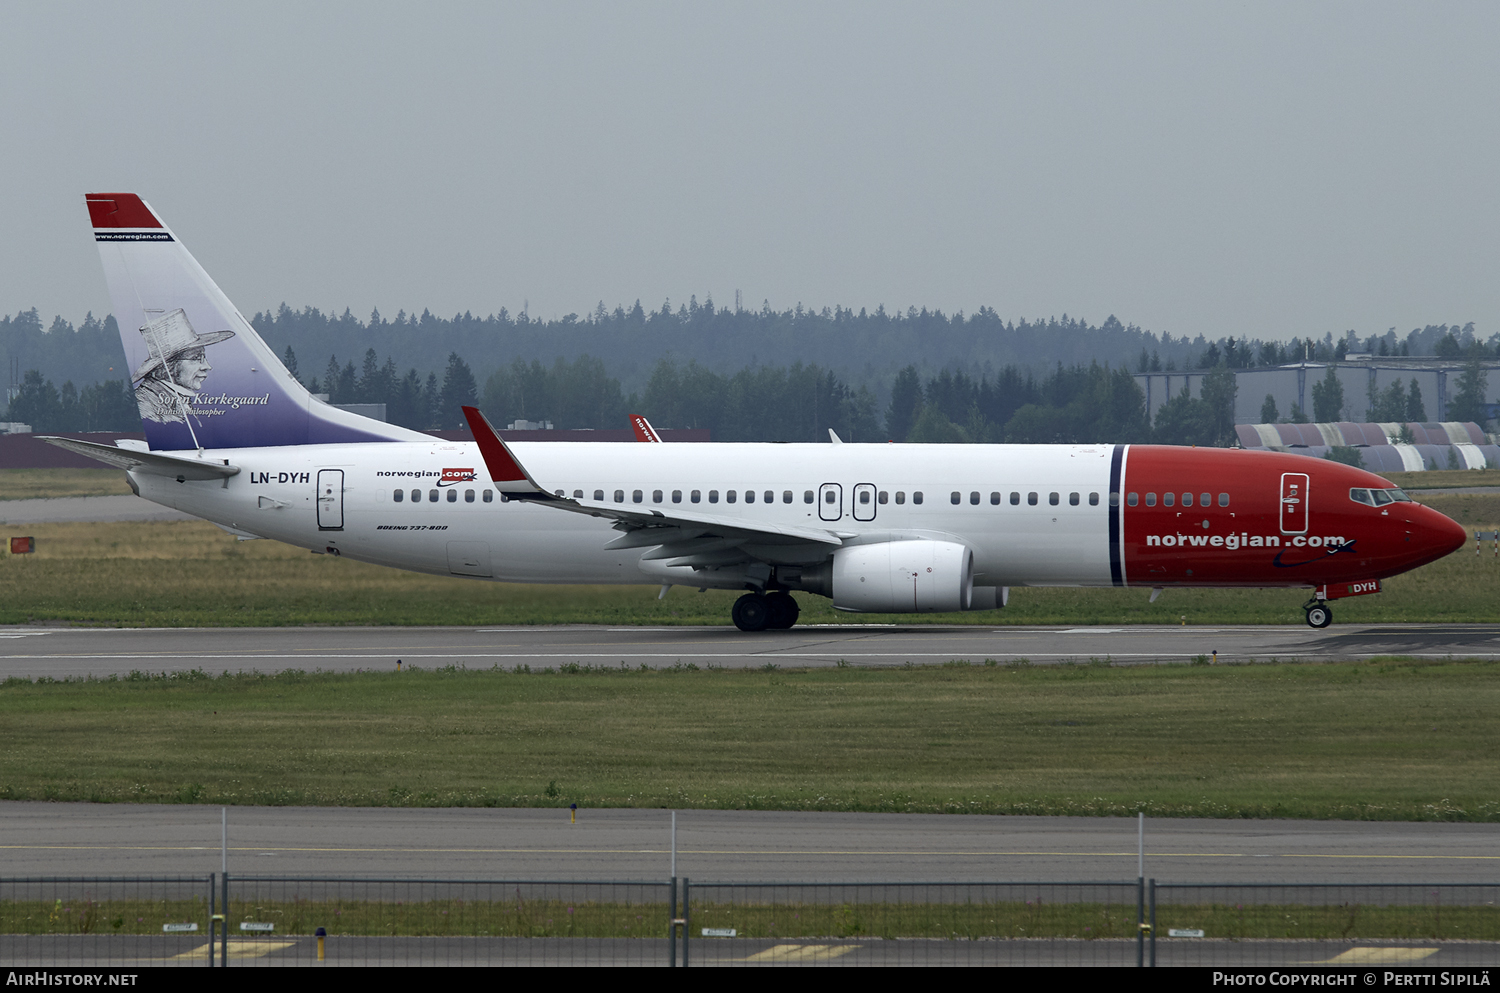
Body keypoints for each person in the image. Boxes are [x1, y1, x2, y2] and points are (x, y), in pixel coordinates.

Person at [131, 309, 234, 424]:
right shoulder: (145, 405)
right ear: (168, 366)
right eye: (196, 358)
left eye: (203, 358)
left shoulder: (177, 399)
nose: (207, 366)